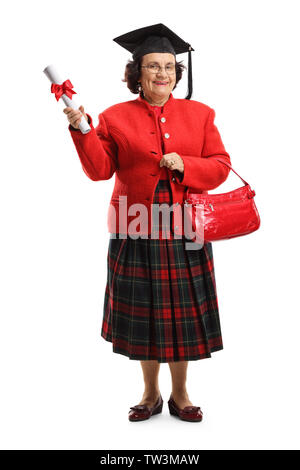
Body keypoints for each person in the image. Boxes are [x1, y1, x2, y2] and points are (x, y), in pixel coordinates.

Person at [63, 23, 231, 422]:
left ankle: (182, 394)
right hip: (134, 227)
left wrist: (186, 164)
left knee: (183, 316)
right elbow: (100, 169)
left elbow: (221, 166)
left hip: (184, 228)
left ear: (178, 72)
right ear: (137, 73)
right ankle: (150, 393)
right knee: (148, 318)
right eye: (153, 66)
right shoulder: (115, 116)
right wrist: (81, 130)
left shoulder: (201, 114)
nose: (162, 74)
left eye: (170, 67)